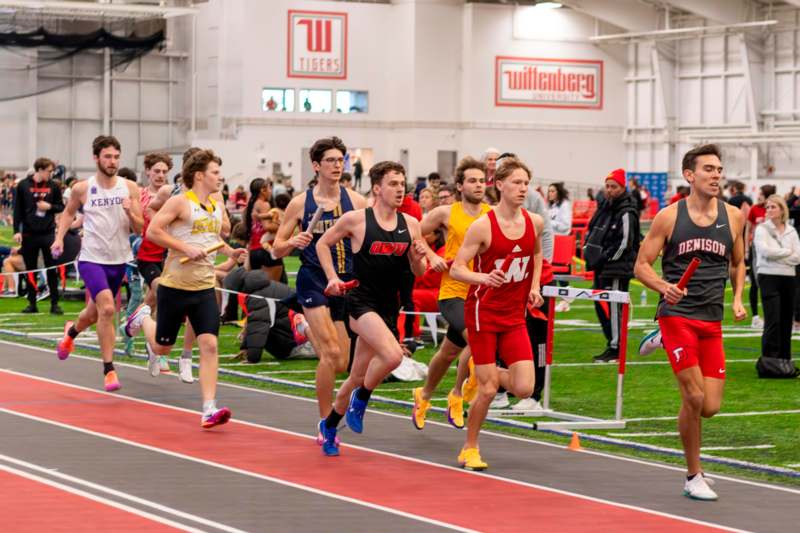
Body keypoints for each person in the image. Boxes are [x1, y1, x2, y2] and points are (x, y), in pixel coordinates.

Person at [635, 143, 746, 501]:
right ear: (689, 175)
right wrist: (664, 287)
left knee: (709, 407)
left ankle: (694, 466)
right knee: (694, 395)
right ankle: (692, 474)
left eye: (719, 169)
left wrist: (739, 298)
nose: (716, 175)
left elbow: (738, 262)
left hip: (711, 319)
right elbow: (641, 265)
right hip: (677, 315)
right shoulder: (669, 217)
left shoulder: (734, 217)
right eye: (709, 169)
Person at [125, 149, 245, 428]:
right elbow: (154, 231)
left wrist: (231, 252)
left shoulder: (215, 204)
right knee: (162, 348)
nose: (220, 178)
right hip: (174, 286)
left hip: (203, 287)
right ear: (200, 175)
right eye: (215, 173)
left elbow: (211, 236)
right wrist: (184, 248)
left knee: (210, 344)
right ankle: (143, 318)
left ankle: (208, 408)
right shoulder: (179, 202)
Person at [316, 161, 427, 456]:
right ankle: (362, 398)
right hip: (359, 302)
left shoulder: (412, 225)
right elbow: (322, 244)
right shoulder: (356, 220)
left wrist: (417, 257)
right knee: (392, 356)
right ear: (377, 188)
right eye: (393, 183)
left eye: (402, 184)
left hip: (389, 306)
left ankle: (329, 426)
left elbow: (420, 271)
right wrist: (332, 277)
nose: (400, 189)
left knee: (355, 375)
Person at [449, 156, 543, 470]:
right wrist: (482, 278)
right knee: (489, 389)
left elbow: (537, 253)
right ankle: (470, 447)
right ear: (499, 185)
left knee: (525, 387)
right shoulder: (483, 227)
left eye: (526, 183)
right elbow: (457, 269)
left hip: (514, 315)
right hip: (483, 313)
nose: (522, 189)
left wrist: (534, 285)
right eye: (516, 182)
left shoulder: (534, 222)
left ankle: (481, 371)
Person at [272, 136, 367, 428]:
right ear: (316, 165)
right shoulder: (301, 203)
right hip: (313, 279)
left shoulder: (357, 201)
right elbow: (276, 248)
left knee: (341, 363)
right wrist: (293, 241)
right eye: (330, 161)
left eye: (341, 160)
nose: (337, 166)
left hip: (344, 281)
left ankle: (304, 327)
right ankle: (325, 422)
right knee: (331, 353)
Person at [53, 135, 144, 391]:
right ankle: (109, 370)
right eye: (107, 156)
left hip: (119, 261)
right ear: (96, 158)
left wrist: (130, 211)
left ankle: (71, 333)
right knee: (107, 309)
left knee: (93, 314)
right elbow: (69, 212)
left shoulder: (129, 188)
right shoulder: (83, 188)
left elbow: (140, 227)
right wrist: (59, 238)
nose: (112, 161)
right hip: (92, 259)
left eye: (116, 157)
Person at [412, 156, 491, 431]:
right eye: (472, 180)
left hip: (480, 292)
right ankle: (458, 393)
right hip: (453, 291)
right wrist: (432, 254)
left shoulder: (491, 214)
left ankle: (424, 396)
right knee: (478, 340)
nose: (479, 185)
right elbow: (414, 233)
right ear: (460, 185)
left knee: (448, 353)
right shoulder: (446, 213)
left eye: (482, 180)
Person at [585, 169, 641, 363]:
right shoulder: (605, 206)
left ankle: (616, 348)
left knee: (615, 307)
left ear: (622, 187)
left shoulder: (627, 211)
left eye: (613, 186)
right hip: (602, 265)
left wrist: (606, 258)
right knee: (601, 305)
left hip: (617, 267)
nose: (609, 190)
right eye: (607, 186)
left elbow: (625, 242)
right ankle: (612, 343)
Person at [13, 157, 64, 314]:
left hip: (48, 233)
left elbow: (60, 206)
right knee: (31, 269)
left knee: (51, 268)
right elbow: (17, 210)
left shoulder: (53, 186)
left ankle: (54, 303)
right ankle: (32, 303)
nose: (51, 174)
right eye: (49, 171)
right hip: (29, 233)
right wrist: (17, 231)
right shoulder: (23, 185)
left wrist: (49, 206)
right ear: (40, 170)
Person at [753, 194, 800, 360]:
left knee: (787, 319)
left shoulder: (791, 230)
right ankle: (770, 359)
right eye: (768, 207)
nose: (769, 210)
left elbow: (798, 257)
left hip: (788, 278)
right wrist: (787, 253)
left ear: (782, 209)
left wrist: (780, 255)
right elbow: (764, 251)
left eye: (773, 207)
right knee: (773, 319)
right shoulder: (761, 229)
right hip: (768, 277)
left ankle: (785, 358)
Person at [746, 184, 776, 329]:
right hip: (755, 250)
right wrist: (746, 247)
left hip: (771, 250)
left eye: (761, 193)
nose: (759, 195)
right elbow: (748, 229)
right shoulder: (754, 209)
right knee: (755, 283)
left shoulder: (775, 210)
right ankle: (756, 317)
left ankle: (770, 315)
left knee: (770, 283)